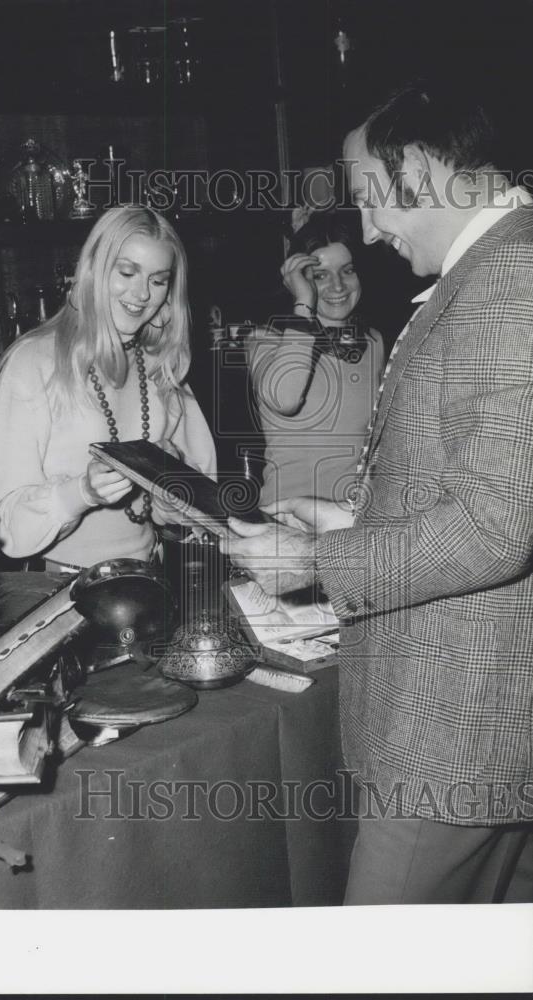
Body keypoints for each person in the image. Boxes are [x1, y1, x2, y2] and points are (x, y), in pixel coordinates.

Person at [226, 81, 533, 904]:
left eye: (369, 199)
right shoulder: (495, 267)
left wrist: (319, 558)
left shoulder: (511, 281)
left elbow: (496, 528)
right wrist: (359, 514)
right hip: (477, 716)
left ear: (423, 168)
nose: (367, 230)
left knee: (384, 966)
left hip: (454, 727)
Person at [0, 204, 216, 570]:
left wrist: (173, 503)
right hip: (61, 593)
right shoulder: (33, 363)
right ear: (93, 270)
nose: (141, 295)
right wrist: (83, 492)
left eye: (158, 280)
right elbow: (7, 530)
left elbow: (202, 503)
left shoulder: (159, 364)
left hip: (151, 581)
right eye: (127, 272)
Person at [247, 210, 384, 505]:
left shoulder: (373, 341)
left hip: (351, 524)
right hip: (286, 524)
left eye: (347, 270)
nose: (337, 286)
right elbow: (286, 399)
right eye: (320, 275)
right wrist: (303, 304)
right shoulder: (265, 339)